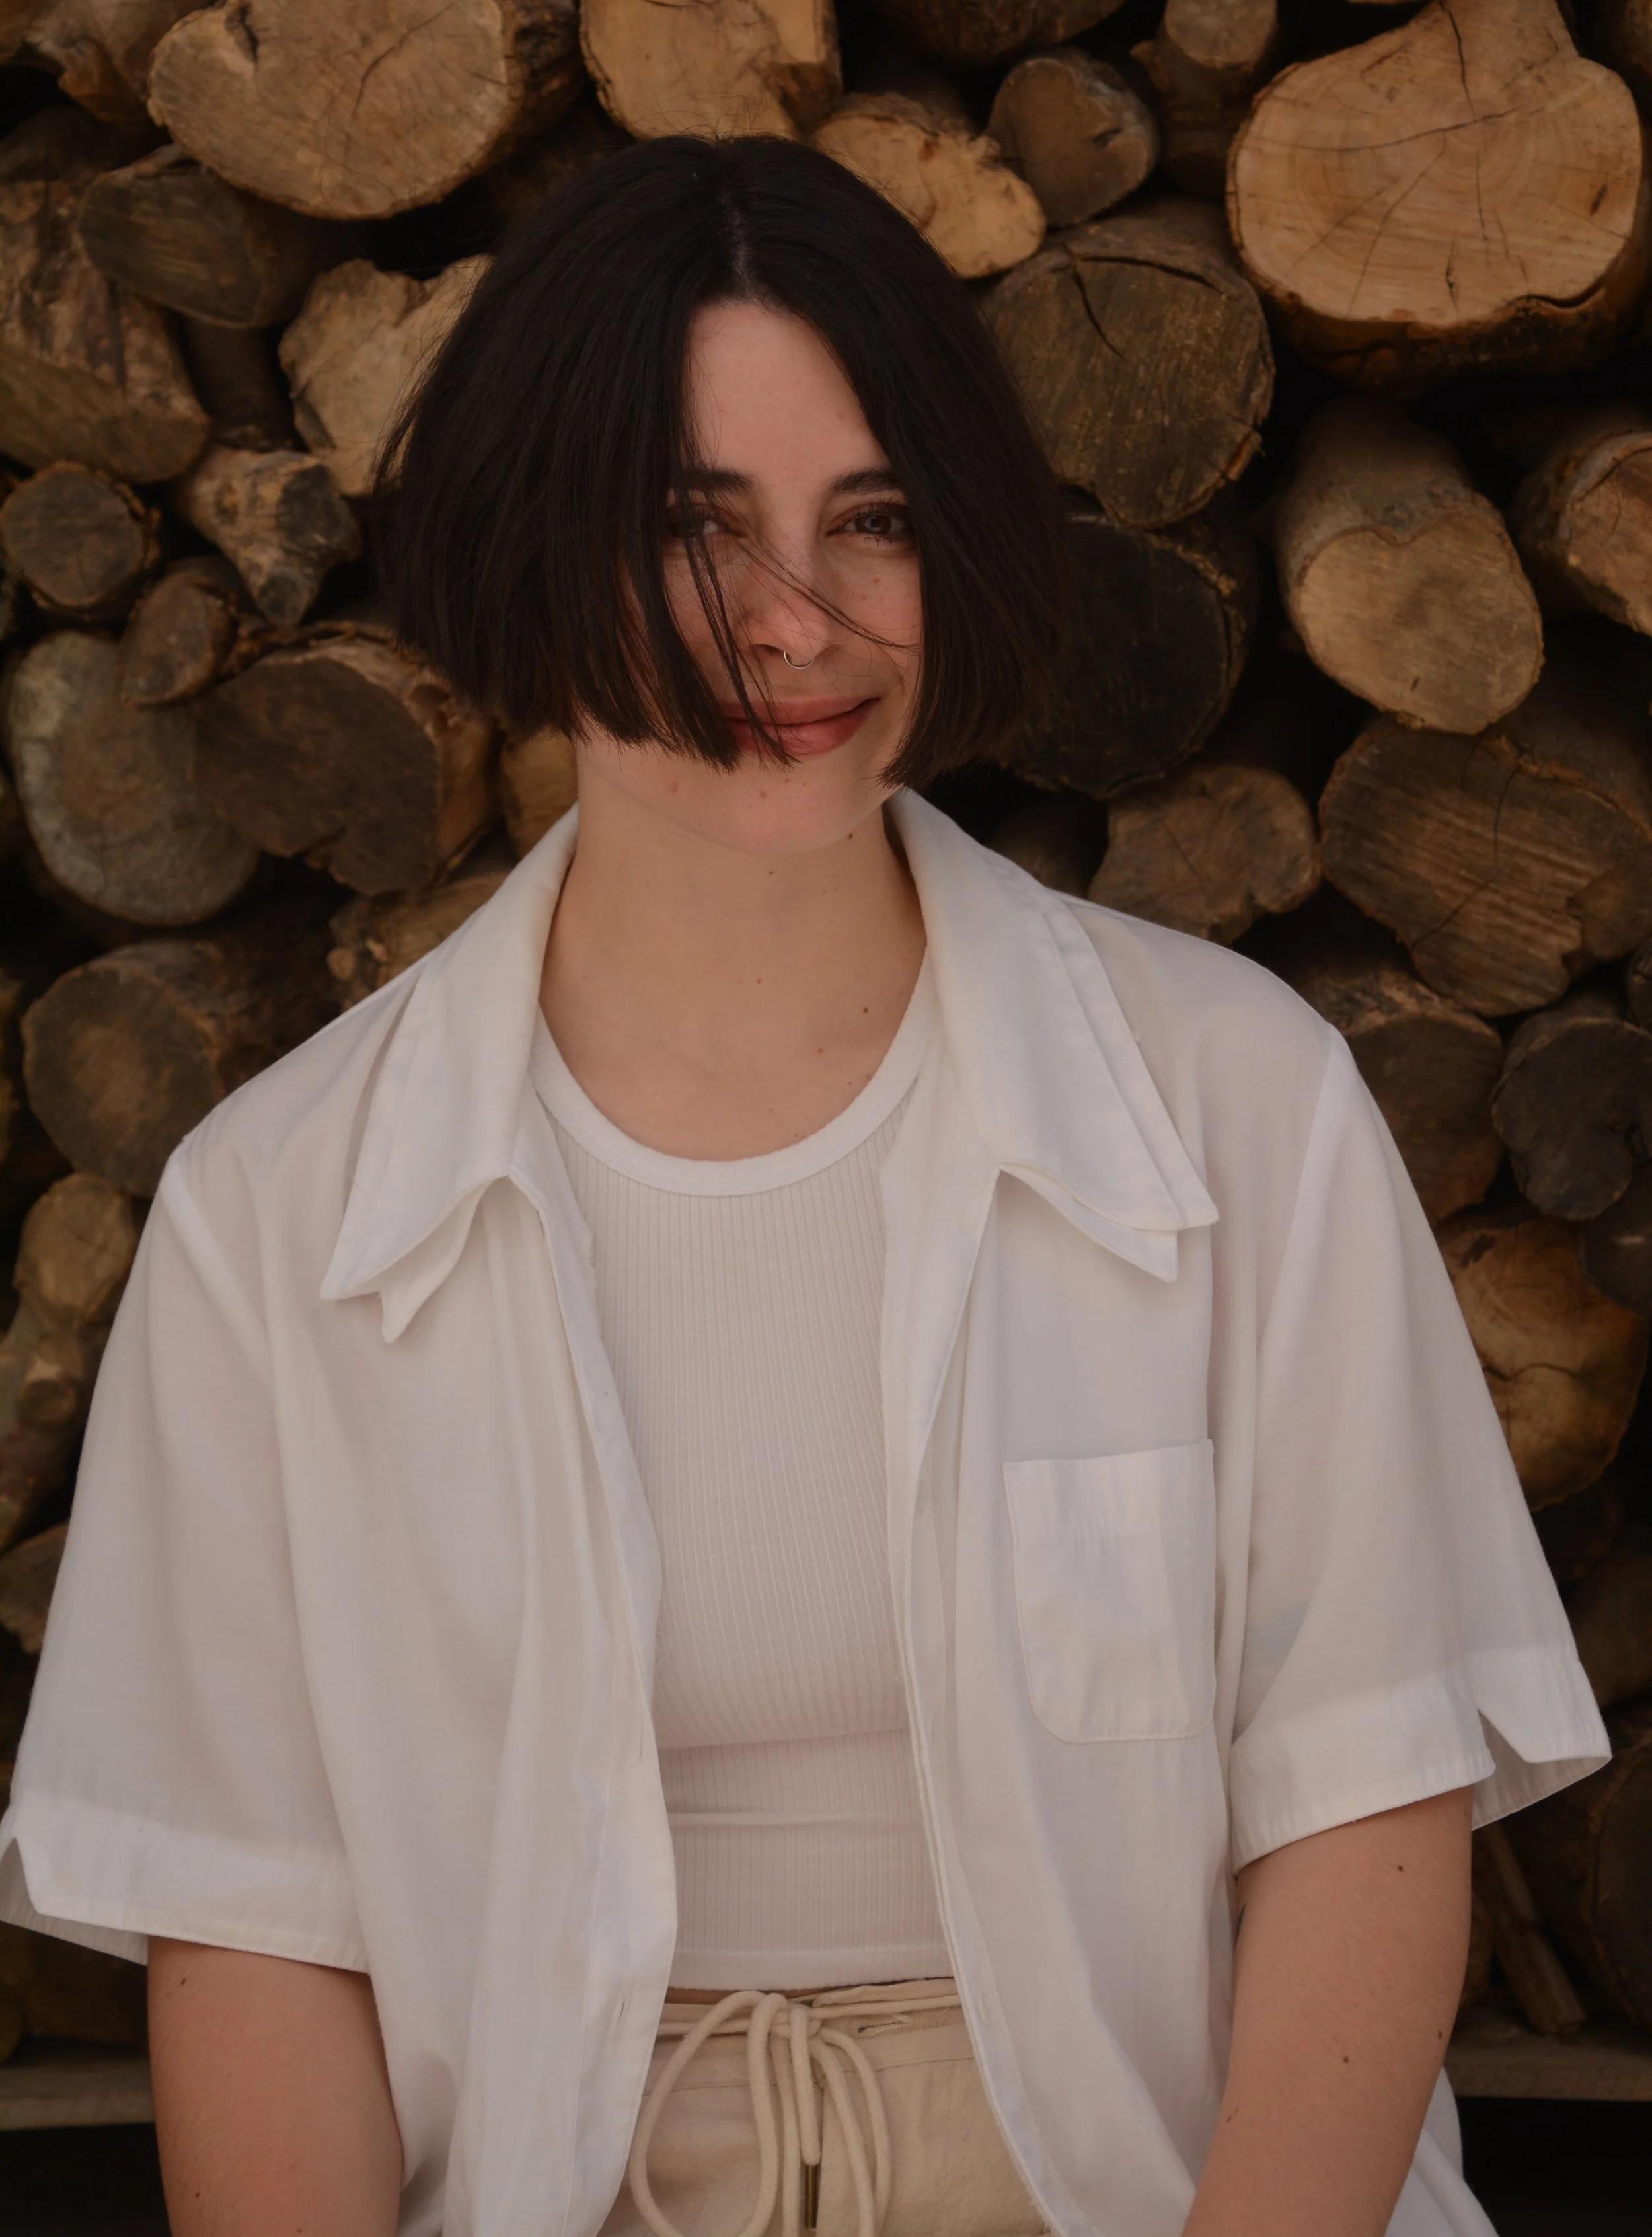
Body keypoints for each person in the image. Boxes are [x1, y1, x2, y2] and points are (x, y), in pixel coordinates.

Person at [0, 137, 1607, 2237]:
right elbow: (255, 1931)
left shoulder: (1236, 1104)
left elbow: (1365, 1807)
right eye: (691, 531)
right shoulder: (272, 1215)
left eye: (873, 522)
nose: (797, 620)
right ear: (526, 553)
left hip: (1142, 2173)